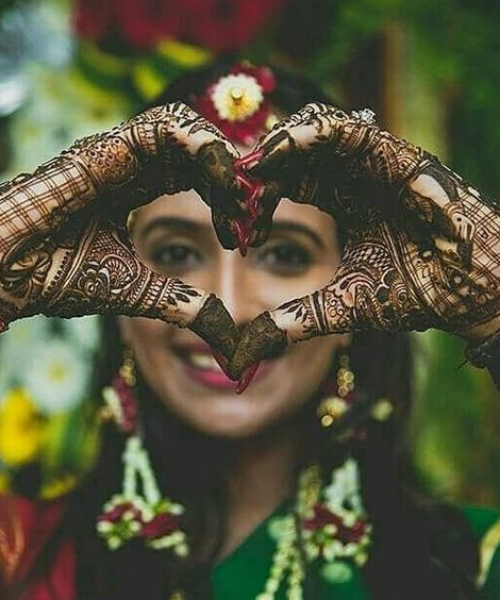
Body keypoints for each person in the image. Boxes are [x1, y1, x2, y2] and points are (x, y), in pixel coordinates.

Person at [0, 60, 499, 600]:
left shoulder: (470, 564)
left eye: (284, 255)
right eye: (175, 253)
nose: (230, 307)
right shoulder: (19, 557)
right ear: (111, 303)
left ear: (364, 299)